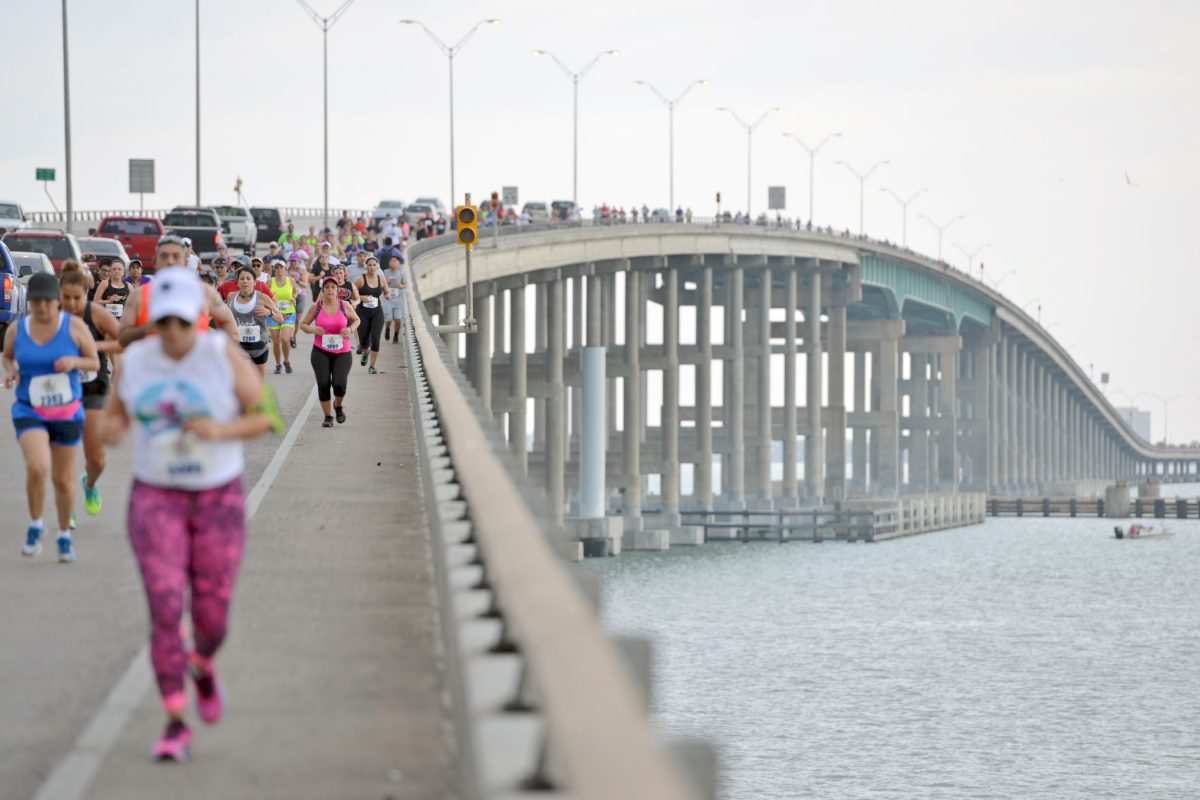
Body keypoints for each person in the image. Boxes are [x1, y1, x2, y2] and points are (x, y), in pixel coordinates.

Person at [102, 267, 271, 762]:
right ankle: (175, 719)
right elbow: (118, 413)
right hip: (155, 497)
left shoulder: (223, 356)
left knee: (213, 618)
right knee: (164, 606)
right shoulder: (136, 362)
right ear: (153, 321)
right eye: (164, 322)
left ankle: (201, 664)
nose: (172, 333)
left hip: (217, 496)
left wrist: (219, 432)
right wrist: (111, 429)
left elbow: (267, 417)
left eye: (181, 322)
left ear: (198, 318)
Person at [4, 272, 101, 563]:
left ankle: (63, 535)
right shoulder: (17, 329)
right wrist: (10, 369)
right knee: (37, 467)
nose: (43, 307)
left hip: (66, 410)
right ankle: (36, 525)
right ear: (30, 303)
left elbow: (94, 361)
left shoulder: (73, 327)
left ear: (57, 301)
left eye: (48, 301)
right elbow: (7, 356)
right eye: (37, 302)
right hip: (29, 408)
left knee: (63, 480)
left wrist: (74, 361)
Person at [60, 263, 122, 516]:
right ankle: (67, 504)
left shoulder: (96, 314)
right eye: (67, 298)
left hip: (93, 388)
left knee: (96, 459)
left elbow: (121, 340)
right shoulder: (52, 315)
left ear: (86, 292)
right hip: (61, 391)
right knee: (66, 454)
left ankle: (89, 483)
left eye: (78, 297)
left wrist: (90, 346)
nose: (72, 303)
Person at [120, 235, 238, 346]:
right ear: (155, 262)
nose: (170, 261)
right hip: (154, 364)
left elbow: (234, 334)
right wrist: (149, 329)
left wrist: (213, 351)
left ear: (185, 262)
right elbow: (122, 337)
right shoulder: (139, 295)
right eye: (164, 256)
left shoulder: (205, 293)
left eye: (176, 256)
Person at [299, 275, 359, 427]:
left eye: (333, 287)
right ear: (323, 290)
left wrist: (350, 329)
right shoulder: (317, 306)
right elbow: (303, 325)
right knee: (323, 383)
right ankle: (328, 417)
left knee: (340, 384)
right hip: (321, 351)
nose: (330, 290)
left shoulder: (345, 305)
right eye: (327, 288)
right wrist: (312, 329)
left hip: (342, 352)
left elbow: (357, 320)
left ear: (338, 290)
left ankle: (338, 406)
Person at [227, 266, 282, 377]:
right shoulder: (231, 297)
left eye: (248, 278)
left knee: (257, 385)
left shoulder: (263, 298)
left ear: (254, 282)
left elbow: (280, 318)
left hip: (259, 348)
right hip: (238, 348)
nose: (245, 281)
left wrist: (269, 312)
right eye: (242, 279)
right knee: (241, 384)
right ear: (237, 282)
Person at [353, 256, 390, 373]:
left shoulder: (382, 279)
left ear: (378, 266)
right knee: (364, 339)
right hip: (362, 313)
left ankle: (372, 366)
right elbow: (352, 294)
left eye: (374, 265)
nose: (372, 267)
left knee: (375, 338)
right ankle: (365, 352)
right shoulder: (360, 280)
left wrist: (388, 295)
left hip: (377, 312)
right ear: (366, 267)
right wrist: (361, 297)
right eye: (370, 265)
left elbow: (387, 291)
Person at [266, 260, 298, 374]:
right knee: (275, 342)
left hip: (288, 313)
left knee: (285, 339)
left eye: (281, 268)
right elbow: (265, 296)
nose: (279, 270)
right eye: (277, 268)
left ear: (285, 269)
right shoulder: (270, 281)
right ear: (274, 269)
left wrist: (294, 297)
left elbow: (295, 291)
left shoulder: (291, 280)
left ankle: (286, 361)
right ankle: (278, 364)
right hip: (274, 314)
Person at [381, 253, 407, 344]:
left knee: (397, 319)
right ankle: (387, 328)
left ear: (398, 263)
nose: (392, 262)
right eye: (391, 261)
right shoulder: (385, 272)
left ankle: (396, 335)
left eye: (394, 261)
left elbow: (405, 285)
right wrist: (385, 282)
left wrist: (401, 286)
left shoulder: (401, 274)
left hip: (398, 299)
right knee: (388, 318)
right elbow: (381, 284)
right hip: (388, 298)